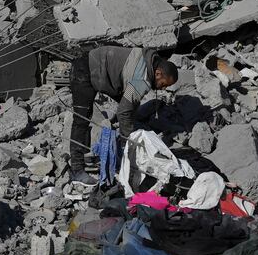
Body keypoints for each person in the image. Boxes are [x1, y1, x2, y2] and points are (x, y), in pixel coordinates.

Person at [68, 46, 178, 182]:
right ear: (158, 74)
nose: (163, 88)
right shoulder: (142, 80)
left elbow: (129, 106)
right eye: (163, 84)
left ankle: (99, 155)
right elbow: (124, 112)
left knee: (130, 110)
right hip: (85, 71)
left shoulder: (148, 59)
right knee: (81, 120)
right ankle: (77, 170)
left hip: (97, 67)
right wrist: (129, 141)